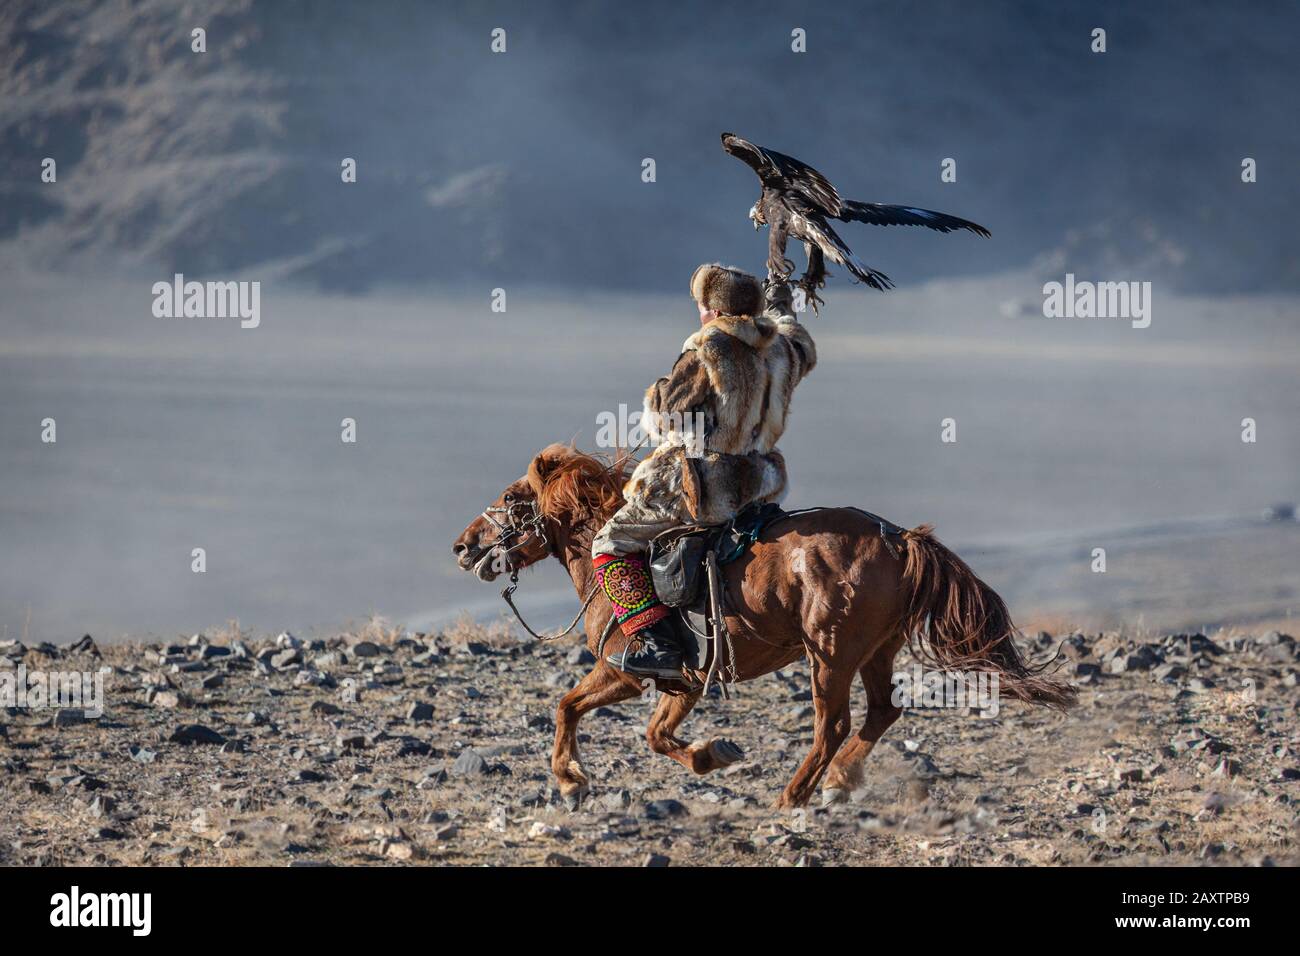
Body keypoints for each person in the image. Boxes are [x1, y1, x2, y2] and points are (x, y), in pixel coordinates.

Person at [591, 264, 817, 678]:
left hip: (708, 487)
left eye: (701, 305)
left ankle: (657, 646)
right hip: (762, 486)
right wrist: (782, 304)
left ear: (714, 308)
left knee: (610, 543)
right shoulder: (781, 350)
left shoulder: (708, 350)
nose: (699, 312)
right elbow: (800, 342)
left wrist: (664, 387)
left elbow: (663, 416)